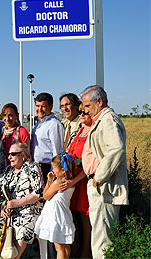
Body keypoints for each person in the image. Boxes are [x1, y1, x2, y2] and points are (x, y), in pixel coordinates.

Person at [80, 85, 129, 259]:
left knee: (103, 241)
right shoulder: (101, 119)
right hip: (100, 186)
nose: (84, 110)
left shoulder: (108, 119)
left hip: (103, 186)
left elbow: (116, 149)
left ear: (99, 102)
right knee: (100, 236)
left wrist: (98, 177)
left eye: (87, 105)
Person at [0, 143, 44, 259]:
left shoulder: (32, 167)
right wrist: (3, 208)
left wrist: (17, 203)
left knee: (22, 231)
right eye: (9, 154)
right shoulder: (7, 171)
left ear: (23, 155)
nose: (9, 157)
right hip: (10, 214)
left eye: (13, 154)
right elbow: (0, 195)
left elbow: (39, 193)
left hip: (30, 212)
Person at [61, 104, 92, 258]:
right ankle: (75, 248)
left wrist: (74, 181)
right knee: (73, 216)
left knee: (85, 218)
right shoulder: (80, 130)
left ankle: (86, 253)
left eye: (85, 112)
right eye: (80, 112)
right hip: (73, 179)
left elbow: (90, 163)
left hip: (83, 179)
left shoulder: (92, 132)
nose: (82, 114)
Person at [34, 151, 76, 259]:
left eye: (54, 168)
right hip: (64, 215)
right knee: (65, 246)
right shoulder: (69, 181)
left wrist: (49, 181)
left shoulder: (58, 182)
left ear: (62, 171)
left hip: (56, 217)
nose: (52, 170)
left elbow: (45, 196)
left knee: (59, 248)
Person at [30, 92, 64, 183]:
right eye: (37, 106)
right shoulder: (38, 123)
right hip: (36, 167)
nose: (39, 109)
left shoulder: (54, 125)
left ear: (51, 107)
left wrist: (54, 172)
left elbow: (57, 151)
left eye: (43, 106)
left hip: (48, 168)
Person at [0, 103, 30, 168]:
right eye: (4, 115)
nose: (7, 119)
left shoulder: (22, 132)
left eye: (10, 115)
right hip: (5, 171)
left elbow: (27, 155)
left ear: (17, 115)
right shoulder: (2, 133)